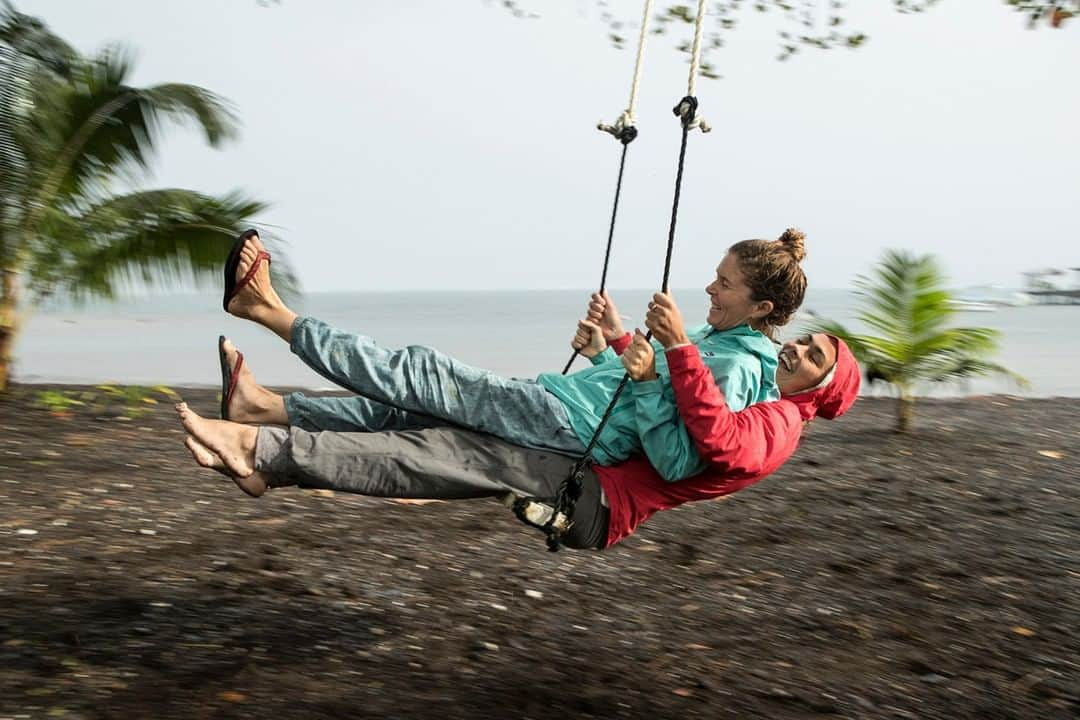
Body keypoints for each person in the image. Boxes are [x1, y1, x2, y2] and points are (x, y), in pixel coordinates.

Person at [176, 321, 860, 551]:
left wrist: (674, 355)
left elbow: (688, 450)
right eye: (801, 343)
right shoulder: (768, 402)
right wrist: (616, 349)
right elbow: (663, 409)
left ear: (826, 389)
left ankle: (258, 444)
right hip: (585, 467)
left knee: (429, 450)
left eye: (814, 357)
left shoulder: (775, 426)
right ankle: (265, 437)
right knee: (419, 425)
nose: (796, 352)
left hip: (591, 493)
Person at [215, 228, 809, 482]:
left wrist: (662, 357)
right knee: (410, 414)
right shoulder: (716, 339)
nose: (709, 288)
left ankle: (266, 310)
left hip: (570, 430)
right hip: (561, 404)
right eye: (715, 276)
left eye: (725, 284)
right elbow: (633, 390)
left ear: (761, 308)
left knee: (422, 373)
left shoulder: (736, 366)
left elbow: (676, 456)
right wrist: (610, 346)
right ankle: (264, 410)